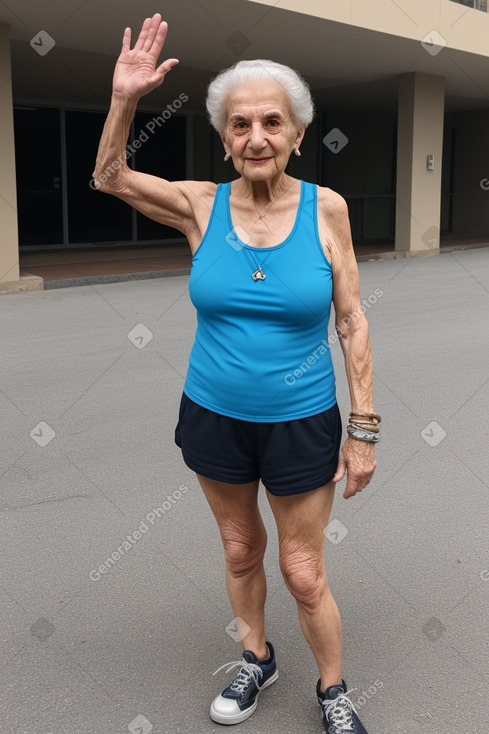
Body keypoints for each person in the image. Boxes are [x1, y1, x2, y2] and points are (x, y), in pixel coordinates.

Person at [93, 14, 380, 734]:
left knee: (303, 569)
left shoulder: (327, 210)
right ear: (225, 137)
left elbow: (350, 320)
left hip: (301, 419)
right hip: (214, 413)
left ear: (295, 134)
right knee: (238, 547)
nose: (256, 137)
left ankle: (334, 689)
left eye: (271, 123)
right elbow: (108, 177)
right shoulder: (199, 204)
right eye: (240, 124)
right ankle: (256, 656)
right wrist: (125, 97)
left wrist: (364, 427)